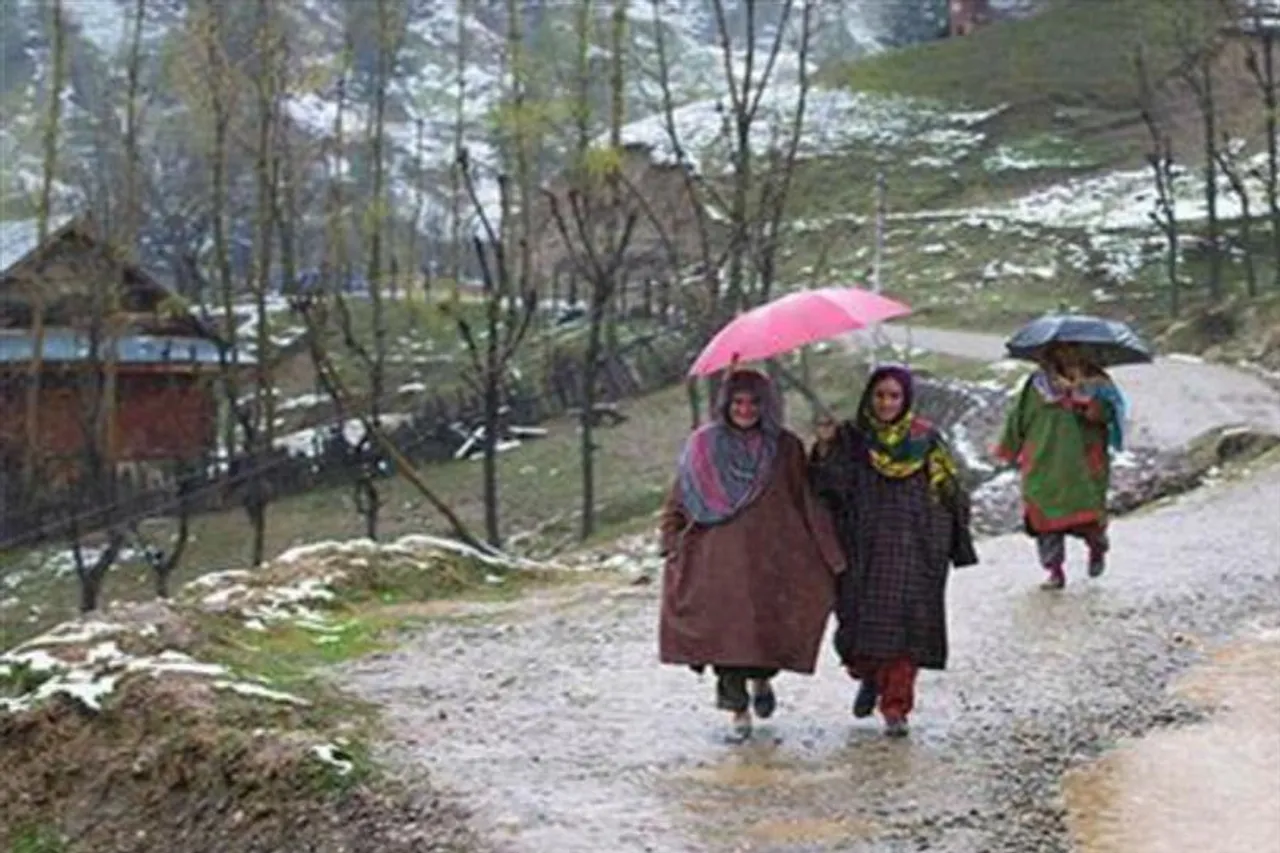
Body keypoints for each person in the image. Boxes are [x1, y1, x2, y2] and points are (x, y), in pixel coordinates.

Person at [659, 368, 846, 742]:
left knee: (763, 634)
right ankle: (737, 709)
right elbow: (680, 496)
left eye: (754, 402)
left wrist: (825, 448)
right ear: (725, 404)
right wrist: (670, 535)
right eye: (738, 402)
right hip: (714, 563)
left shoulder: (785, 448)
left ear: (767, 405)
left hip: (769, 561)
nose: (745, 409)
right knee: (723, 637)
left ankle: (761, 681)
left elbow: (810, 495)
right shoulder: (703, 446)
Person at [810, 364, 977, 737]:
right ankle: (869, 677)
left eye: (894, 396)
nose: (886, 403)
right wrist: (824, 447)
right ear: (870, 396)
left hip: (914, 548)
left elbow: (949, 488)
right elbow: (828, 489)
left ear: (906, 399)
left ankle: (896, 707)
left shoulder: (926, 439)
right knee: (857, 630)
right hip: (862, 549)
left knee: (907, 632)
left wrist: (952, 539)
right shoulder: (852, 439)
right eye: (880, 395)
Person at [995, 343, 1128, 590]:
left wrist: (1088, 404)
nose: (1068, 355)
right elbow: (1019, 416)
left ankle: (1096, 545)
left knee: (1086, 514)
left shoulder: (1098, 383)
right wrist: (1009, 447)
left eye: (1074, 349)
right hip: (1044, 459)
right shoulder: (1037, 384)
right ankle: (1055, 571)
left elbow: (1110, 415)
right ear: (1051, 353)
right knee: (1044, 517)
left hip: (1084, 462)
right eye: (1061, 350)